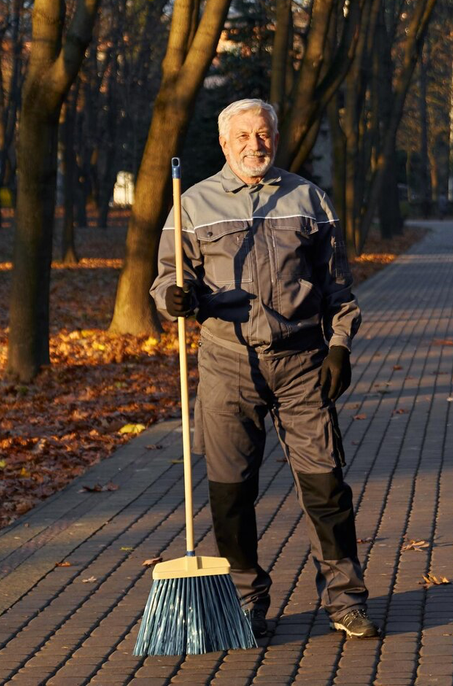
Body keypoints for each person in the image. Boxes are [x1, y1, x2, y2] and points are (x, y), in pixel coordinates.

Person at [150, 98, 380, 640]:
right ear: (226, 144)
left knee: (326, 487)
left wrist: (340, 347)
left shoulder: (308, 199)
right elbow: (165, 279)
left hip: (302, 362)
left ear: (275, 138)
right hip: (228, 364)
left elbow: (338, 289)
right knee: (231, 494)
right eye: (243, 137)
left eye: (264, 134)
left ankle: (346, 600)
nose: (255, 145)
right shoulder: (193, 204)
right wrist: (174, 300)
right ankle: (246, 601)